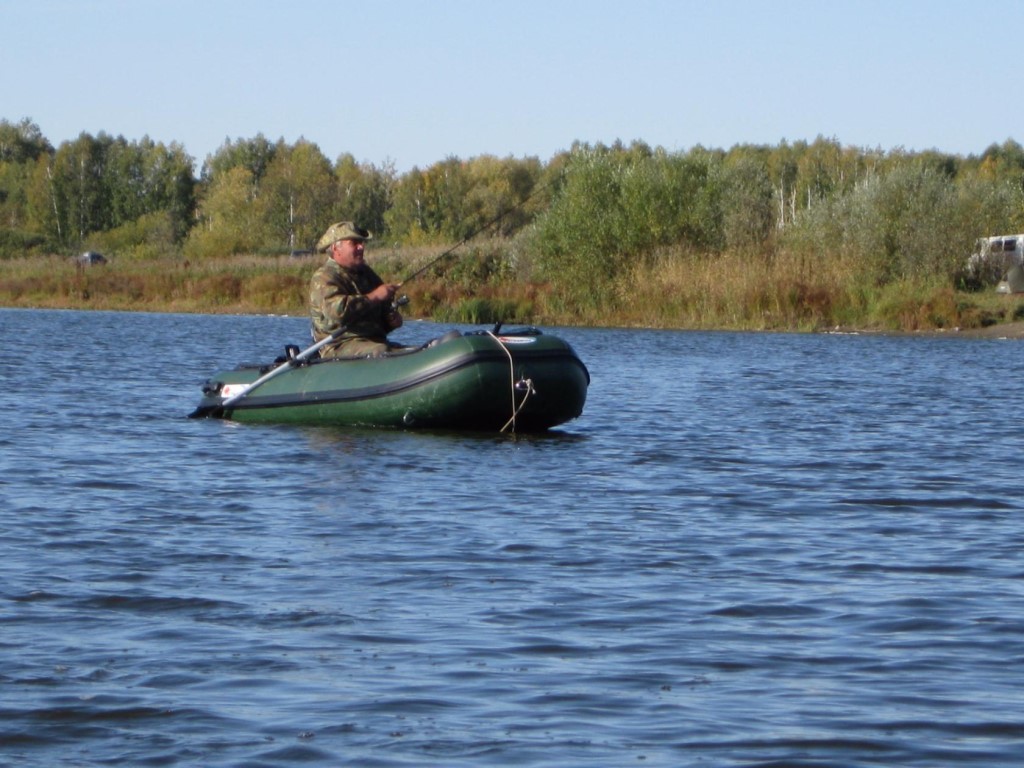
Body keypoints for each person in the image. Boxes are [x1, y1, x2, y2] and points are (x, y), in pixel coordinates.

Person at [309, 221, 405, 358]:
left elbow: (380, 315)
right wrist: (375, 296)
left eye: (361, 243)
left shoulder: (367, 274)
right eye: (354, 243)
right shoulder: (324, 277)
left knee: (408, 350)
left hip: (373, 342)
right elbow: (337, 312)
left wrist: (391, 321)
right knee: (381, 350)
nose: (361, 247)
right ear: (336, 248)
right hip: (339, 346)